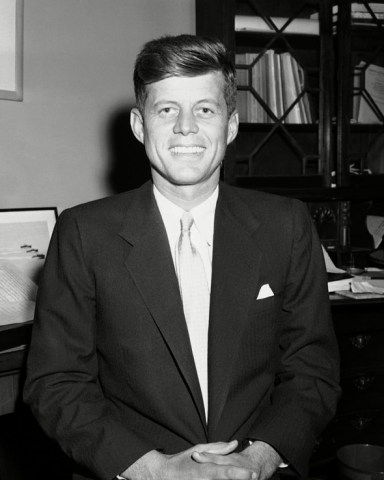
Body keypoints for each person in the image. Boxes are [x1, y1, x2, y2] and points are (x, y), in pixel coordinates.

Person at [24, 34, 340, 480]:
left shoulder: (286, 226)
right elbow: (56, 383)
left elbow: (312, 371)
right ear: (139, 125)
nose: (186, 127)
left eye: (205, 110)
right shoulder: (83, 234)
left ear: (230, 126)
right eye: (167, 109)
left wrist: (260, 457)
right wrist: (156, 470)